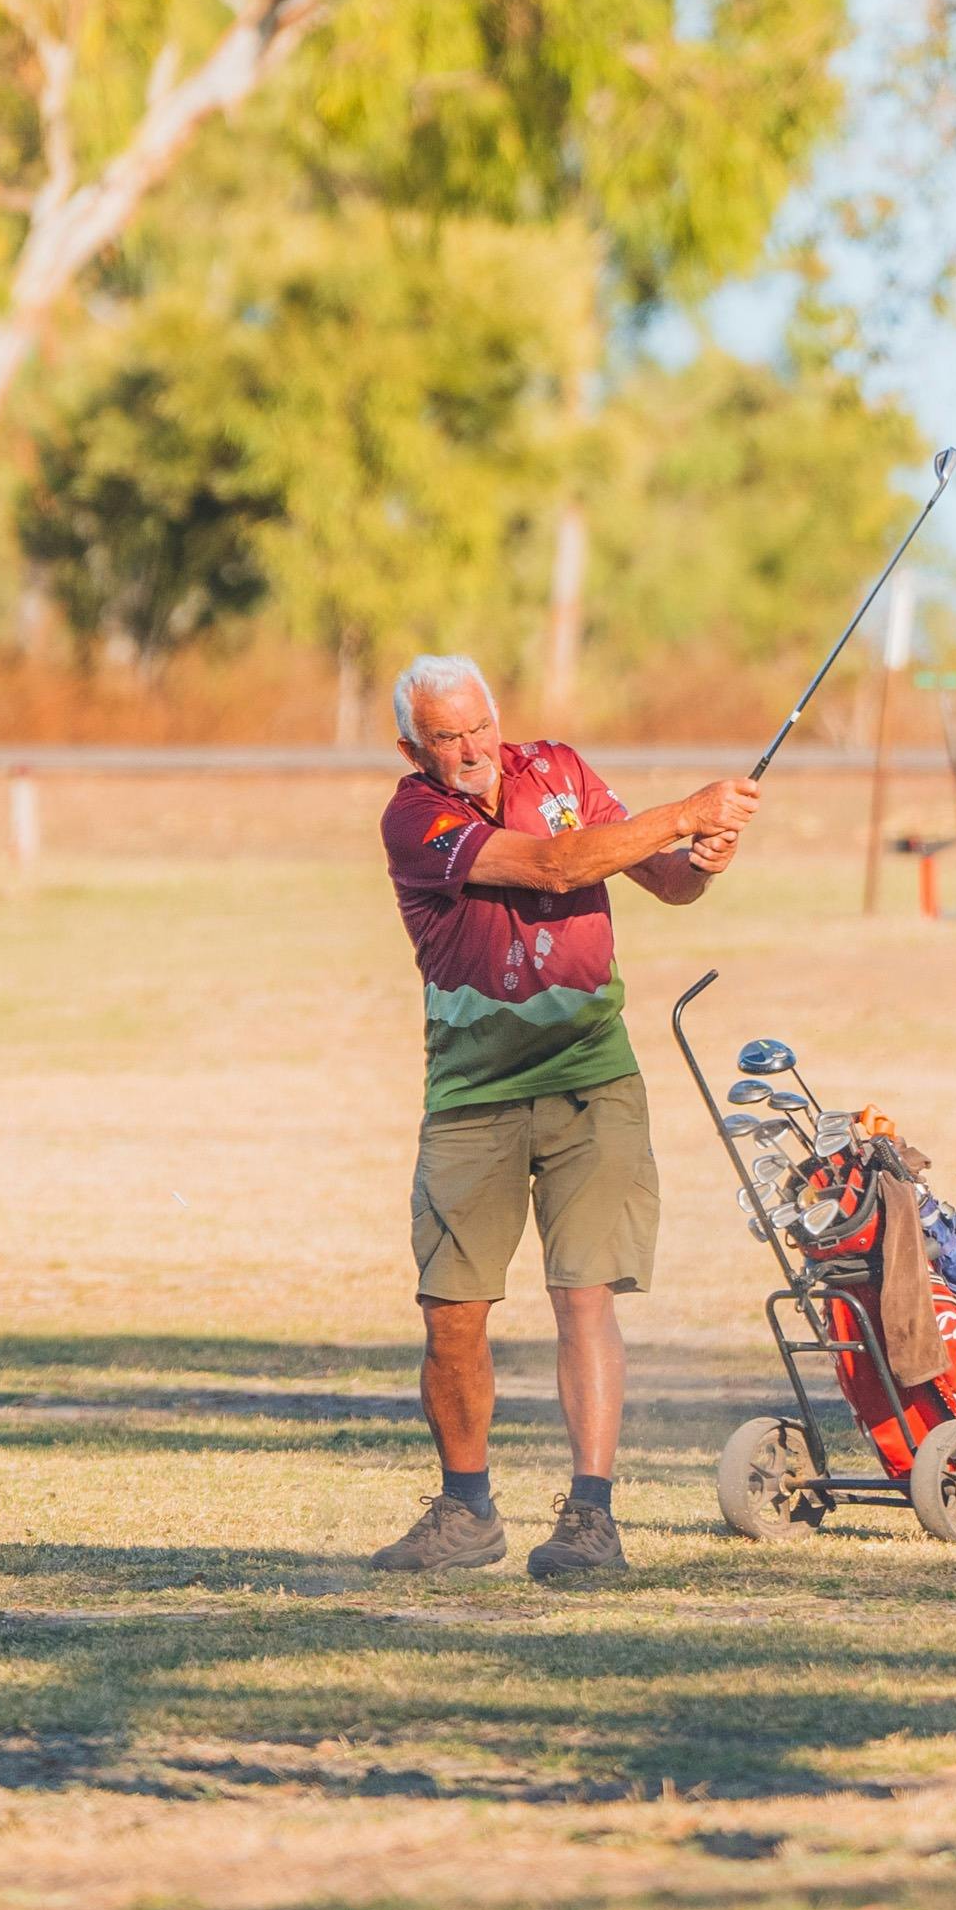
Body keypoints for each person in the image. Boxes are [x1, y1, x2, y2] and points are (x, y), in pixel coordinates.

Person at [368, 655, 754, 1584]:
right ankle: (466, 1509)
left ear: (497, 717)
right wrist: (686, 810)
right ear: (412, 746)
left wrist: (703, 855)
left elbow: (664, 881)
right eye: (445, 738)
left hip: (593, 1078)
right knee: (452, 1312)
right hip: (472, 1092)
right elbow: (554, 865)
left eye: (477, 728)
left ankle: (591, 1517)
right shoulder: (416, 817)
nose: (467, 751)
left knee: (586, 1295)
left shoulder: (564, 774)